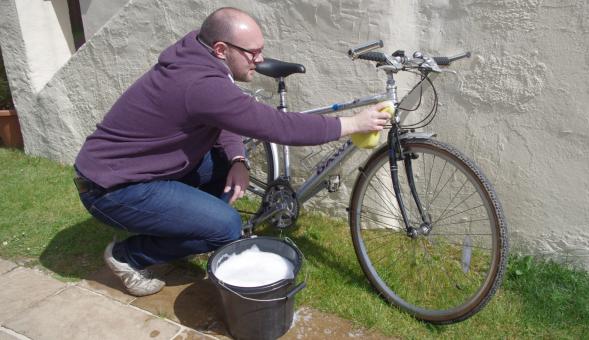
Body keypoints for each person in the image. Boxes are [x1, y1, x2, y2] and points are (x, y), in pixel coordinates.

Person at [73, 7, 390, 296]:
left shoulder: (198, 59)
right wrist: (352, 124)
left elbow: (220, 117)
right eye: (252, 53)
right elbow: (277, 126)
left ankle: (188, 225)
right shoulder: (199, 83)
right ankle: (128, 256)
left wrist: (237, 159)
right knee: (226, 227)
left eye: (261, 50)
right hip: (112, 188)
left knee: (223, 169)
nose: (260, 60)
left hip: (139, 169)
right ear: (221, 50)